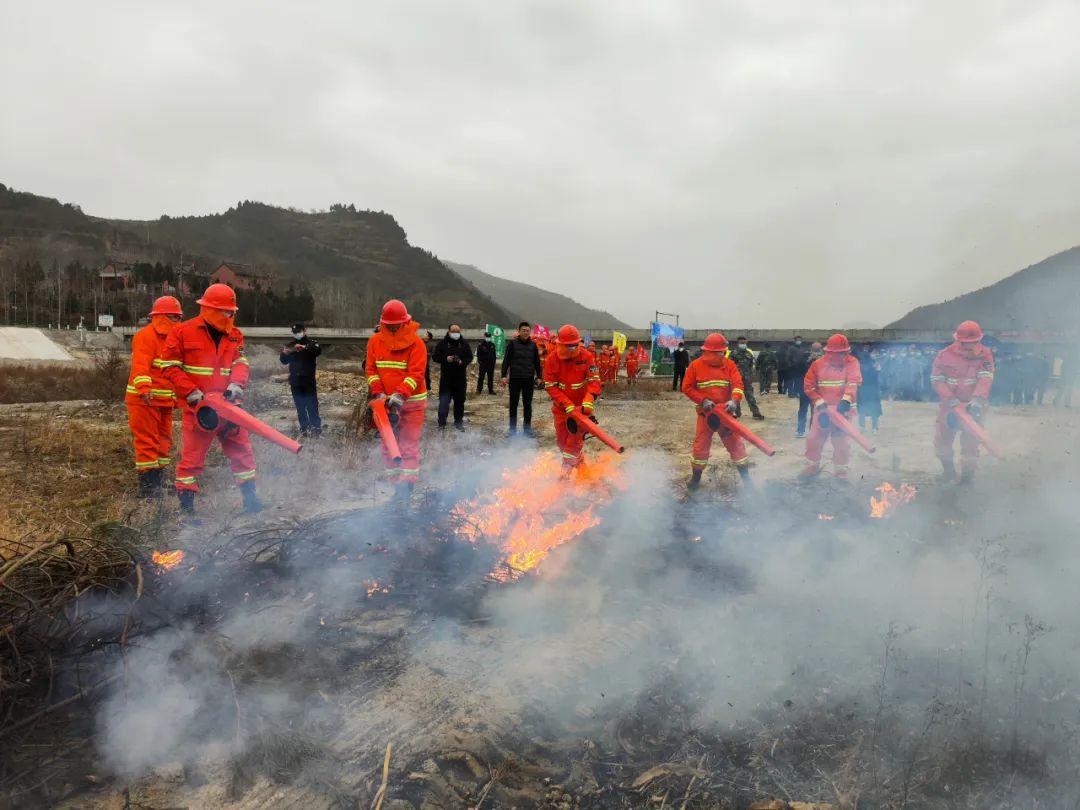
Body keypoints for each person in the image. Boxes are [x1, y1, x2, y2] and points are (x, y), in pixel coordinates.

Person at [162, 283, 261, 514]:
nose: (232, 315)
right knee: (192, 459)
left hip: (229, 408)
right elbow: (169, 367)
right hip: (200, 410)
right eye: (228, 311)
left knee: (242, 453)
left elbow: (240, 363)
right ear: (213, 310)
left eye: (232, 312)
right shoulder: (182, 332)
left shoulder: (235, 335)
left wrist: (237, 384)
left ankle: (251, 501)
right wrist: (192, 393)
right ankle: (187, 510)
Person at [365, 299, 428, 495]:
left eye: (396, 326)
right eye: (389, 326)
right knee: (389, 446)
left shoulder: (417, 344)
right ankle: (396, 487)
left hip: (412, 404)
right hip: (385, 404)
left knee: (408, 445)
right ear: (383, 324)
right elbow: (371, 369)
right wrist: (378, 392)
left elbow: (416, 374)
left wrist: (400, 395)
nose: (393, 330)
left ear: (405, 322)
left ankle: (406, 490)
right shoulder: (375, 341)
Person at [125, 295, 182, 499]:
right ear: (161, 317)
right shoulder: (145, 336)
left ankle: (158, 481)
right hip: (144, 400)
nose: (177, 321)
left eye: (178, 317)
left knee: (164, 441)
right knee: (147, 442)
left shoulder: (174, 339)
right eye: (174, 317)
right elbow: (140, 365)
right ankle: (148, 488)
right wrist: (144, 388)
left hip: (164, 401)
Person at [681, 333, 750, 489]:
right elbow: (686, 388)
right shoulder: (695, 366)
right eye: (721, 351)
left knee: (736, 445)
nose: (724, 353)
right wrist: (703, 400)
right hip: (706, 415)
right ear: (710, 351)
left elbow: (738, 384)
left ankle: (747, 481)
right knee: (700, 448)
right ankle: (696, 479)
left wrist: (734, 400)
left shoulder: (729, 365)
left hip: (726, 414)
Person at [930, 320, 995, 484]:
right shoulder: (944, 355)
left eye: (974, 342)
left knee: (970, 444)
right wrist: (950, 398)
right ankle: (948, 472)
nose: (970, 346)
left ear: (979, 340)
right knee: (943, 439)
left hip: (974, 406)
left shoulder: (985, 355)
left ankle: (967, 478)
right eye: (966, 343)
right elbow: (937, 379)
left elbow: (985, 378)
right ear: (958, 340)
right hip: (949, 406)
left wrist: (978, 400)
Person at [800, 333, 862, 480]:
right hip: (824, 411)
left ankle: (841, 472)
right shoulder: (818, 364)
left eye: (843, 353)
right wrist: (819, 401)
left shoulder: (852, 362)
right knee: (814, 439)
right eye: (838, 353)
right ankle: (812, 466)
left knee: (841, 441)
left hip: (844, 411)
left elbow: (854, 381)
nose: (841, 356)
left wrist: (846, 399)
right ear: (829, 352)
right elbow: (808, 386)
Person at [543, 324, 602, 471]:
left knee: (573, 445)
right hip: (561, 409)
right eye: (569, 346)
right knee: (562, 443)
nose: (574, 348)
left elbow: (594, 381)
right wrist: (567, 405)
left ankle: (566, 476)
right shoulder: (552, 360)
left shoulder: (587, 357)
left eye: (575, 345)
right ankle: (580, 466)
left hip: (581, 411)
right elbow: (550, 386)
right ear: (560, 344)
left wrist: (588, 401)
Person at [279, 322, 322, 437]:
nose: (297, 334)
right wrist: (284, 353)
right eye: (295, 332)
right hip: (295, 382)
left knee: (312, 405)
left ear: (304, 331)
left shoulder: (312, 344)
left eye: (299, 331)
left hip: (308, 381)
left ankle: (316, 429)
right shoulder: (291, 345)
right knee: (300, 407)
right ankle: (304, 429)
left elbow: (318, 351)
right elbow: (283, 361)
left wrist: (304, 347)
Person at [501, 321, 543, 435]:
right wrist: (503, 375)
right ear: (519, 331)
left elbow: (537, 362)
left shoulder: (533, 345)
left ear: (530, 332)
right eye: (523, 330)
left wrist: (539, 376)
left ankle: (527, 429)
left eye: (528, 331)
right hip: (515, 378)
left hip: (528, 379)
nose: (525, 332)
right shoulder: (512, 344)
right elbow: (506, 361)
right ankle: (512, 430)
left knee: (527, 404)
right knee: (513, 404)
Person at [432, 324, 472, 430]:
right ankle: (441, 424)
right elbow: (435, 357)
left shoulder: (464, 344)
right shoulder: (442, 344)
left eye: (458, 331)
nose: (456, 334)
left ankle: (458, 422)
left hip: (460, 379)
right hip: (446, 379)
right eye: (453, 331)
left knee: (459, 402)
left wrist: (462, 361)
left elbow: (470, 357)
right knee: (444, 402)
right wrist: (446, 359)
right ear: (449, 332)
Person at [729, 337, 764, 420]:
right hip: (736, 379)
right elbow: (729, 366)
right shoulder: (733, 354)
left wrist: (751, 375)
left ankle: (756, 413)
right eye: (741, 343)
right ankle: (736, 413)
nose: (743, 345)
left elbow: (751, 366)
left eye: (744, 343)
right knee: (736, 396)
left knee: (750, 396)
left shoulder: (749, 354)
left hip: (747, 379)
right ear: (738, 343)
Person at [856, 345, 883, 434]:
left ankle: (862, 427)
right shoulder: (874, 365)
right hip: (873, 391)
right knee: (874, 409)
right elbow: (877, 379)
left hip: (862, 391)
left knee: (862, 409)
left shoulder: (859, 366)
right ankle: (874, 428)